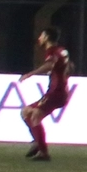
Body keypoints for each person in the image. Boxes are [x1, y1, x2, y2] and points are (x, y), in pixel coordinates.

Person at [19, 26, 72, 162]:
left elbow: (50, 65)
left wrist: (30, 74)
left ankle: (43, 152)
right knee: (26, 112)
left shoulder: (52, 51)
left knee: (35, 116)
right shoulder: (62, 50)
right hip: (58, 91)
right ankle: (38, 142)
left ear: (47, 37)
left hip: (56, 92)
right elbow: (71, 66)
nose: (39, 38)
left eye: (41, 36)